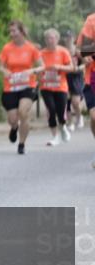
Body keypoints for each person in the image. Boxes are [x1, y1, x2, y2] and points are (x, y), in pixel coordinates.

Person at [0, 21, 43, 155]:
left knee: (23, 112)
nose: (11, 34)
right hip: (11, 87)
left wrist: (32, 71)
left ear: (22, 32)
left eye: (14, 31)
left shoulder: (31, 48)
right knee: (12, 119)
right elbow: (0, 66)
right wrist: (5, 71)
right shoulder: (7, 48)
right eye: (10, 31)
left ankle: (22, 144)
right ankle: (14, 127)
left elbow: (42, 66)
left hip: (27, 86)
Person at [38, 28, 73, 146]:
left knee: (61, 112)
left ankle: (63, 127)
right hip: (46, 87)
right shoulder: (41, 54)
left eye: (52, 38)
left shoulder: (63, 52)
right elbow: (37, 69)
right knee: (51, 110)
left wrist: (59, 67)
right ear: (45, 40)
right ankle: (54, 136)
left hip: (60, 87)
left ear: (57, 39)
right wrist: (40, 74)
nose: (50, 40)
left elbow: (71, 68)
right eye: (48, 38)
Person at [77, 13, 95, 165]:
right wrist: (85, 56)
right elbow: (82, 49)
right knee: (94, 117)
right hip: (93, 75)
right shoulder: (92, 20)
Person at [64, 33, 86, 132]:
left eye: (70, 38)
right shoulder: (63, 51)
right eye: (67, 38)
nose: (68, 40)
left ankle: (79, 116)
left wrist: (78, 68)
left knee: (75, 101)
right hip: (66, 78)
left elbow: (85, 64)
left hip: (77, 78)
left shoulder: (78, 52)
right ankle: (70, 122)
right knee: (67, 102)